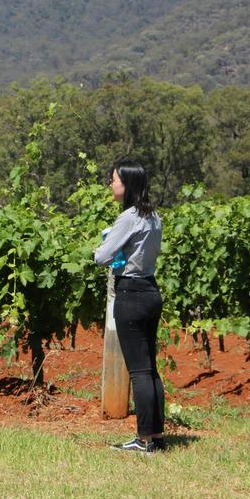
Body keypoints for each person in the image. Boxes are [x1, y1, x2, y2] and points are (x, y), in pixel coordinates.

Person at [93, 160, 166, 454]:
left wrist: (106, 244)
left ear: (128, 184)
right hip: (150, 290)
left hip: (131, 293)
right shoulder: (155, 216)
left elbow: (101, 257)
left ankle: (143, 440)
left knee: (138, 370)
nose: (111, 184)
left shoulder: (128, 217)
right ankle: (156, 436)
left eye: (114, 180)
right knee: (150, 368)